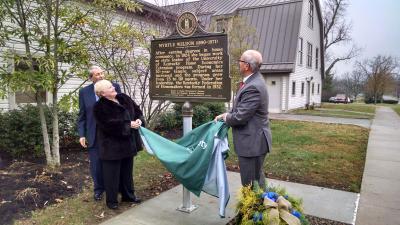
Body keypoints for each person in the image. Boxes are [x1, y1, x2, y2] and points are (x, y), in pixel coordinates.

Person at [214, 49, 272, 188]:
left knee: (250, 184)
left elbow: (240, 117)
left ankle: (253, 209)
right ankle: (261, 207)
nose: (238, 64)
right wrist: (226, 114)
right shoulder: (252, 82)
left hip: (253, 143)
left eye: (240, 61)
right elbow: (241, 108)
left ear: (246, 65)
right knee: (256, 181)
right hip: (253, 141)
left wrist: (227, 117)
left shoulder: (253, 86)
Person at [93, 79, 144, 209]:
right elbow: (107, 125)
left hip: (128, 144)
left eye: (112, 86)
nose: (113, 88)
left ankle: (128, 196)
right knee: (112, 175)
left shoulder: (124, 98)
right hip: (111, 147)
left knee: (127, 172)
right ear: (102, 93)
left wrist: (138, 120)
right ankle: (112, 201)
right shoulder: (99, 107)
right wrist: (128, 125)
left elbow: (137, 111)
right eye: (110, 87)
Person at [78, 66, 121, 201]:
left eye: (102, 73)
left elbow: (121, 107)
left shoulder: (114, 87)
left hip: (112, 132)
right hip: (94, 134)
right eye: (97, 74)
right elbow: (82, 115)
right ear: (91, 77)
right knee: (96, 165)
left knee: (114, 161)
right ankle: (98, 189)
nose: (101, 76)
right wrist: (82, 134)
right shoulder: (84, 92)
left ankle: (115, 187)